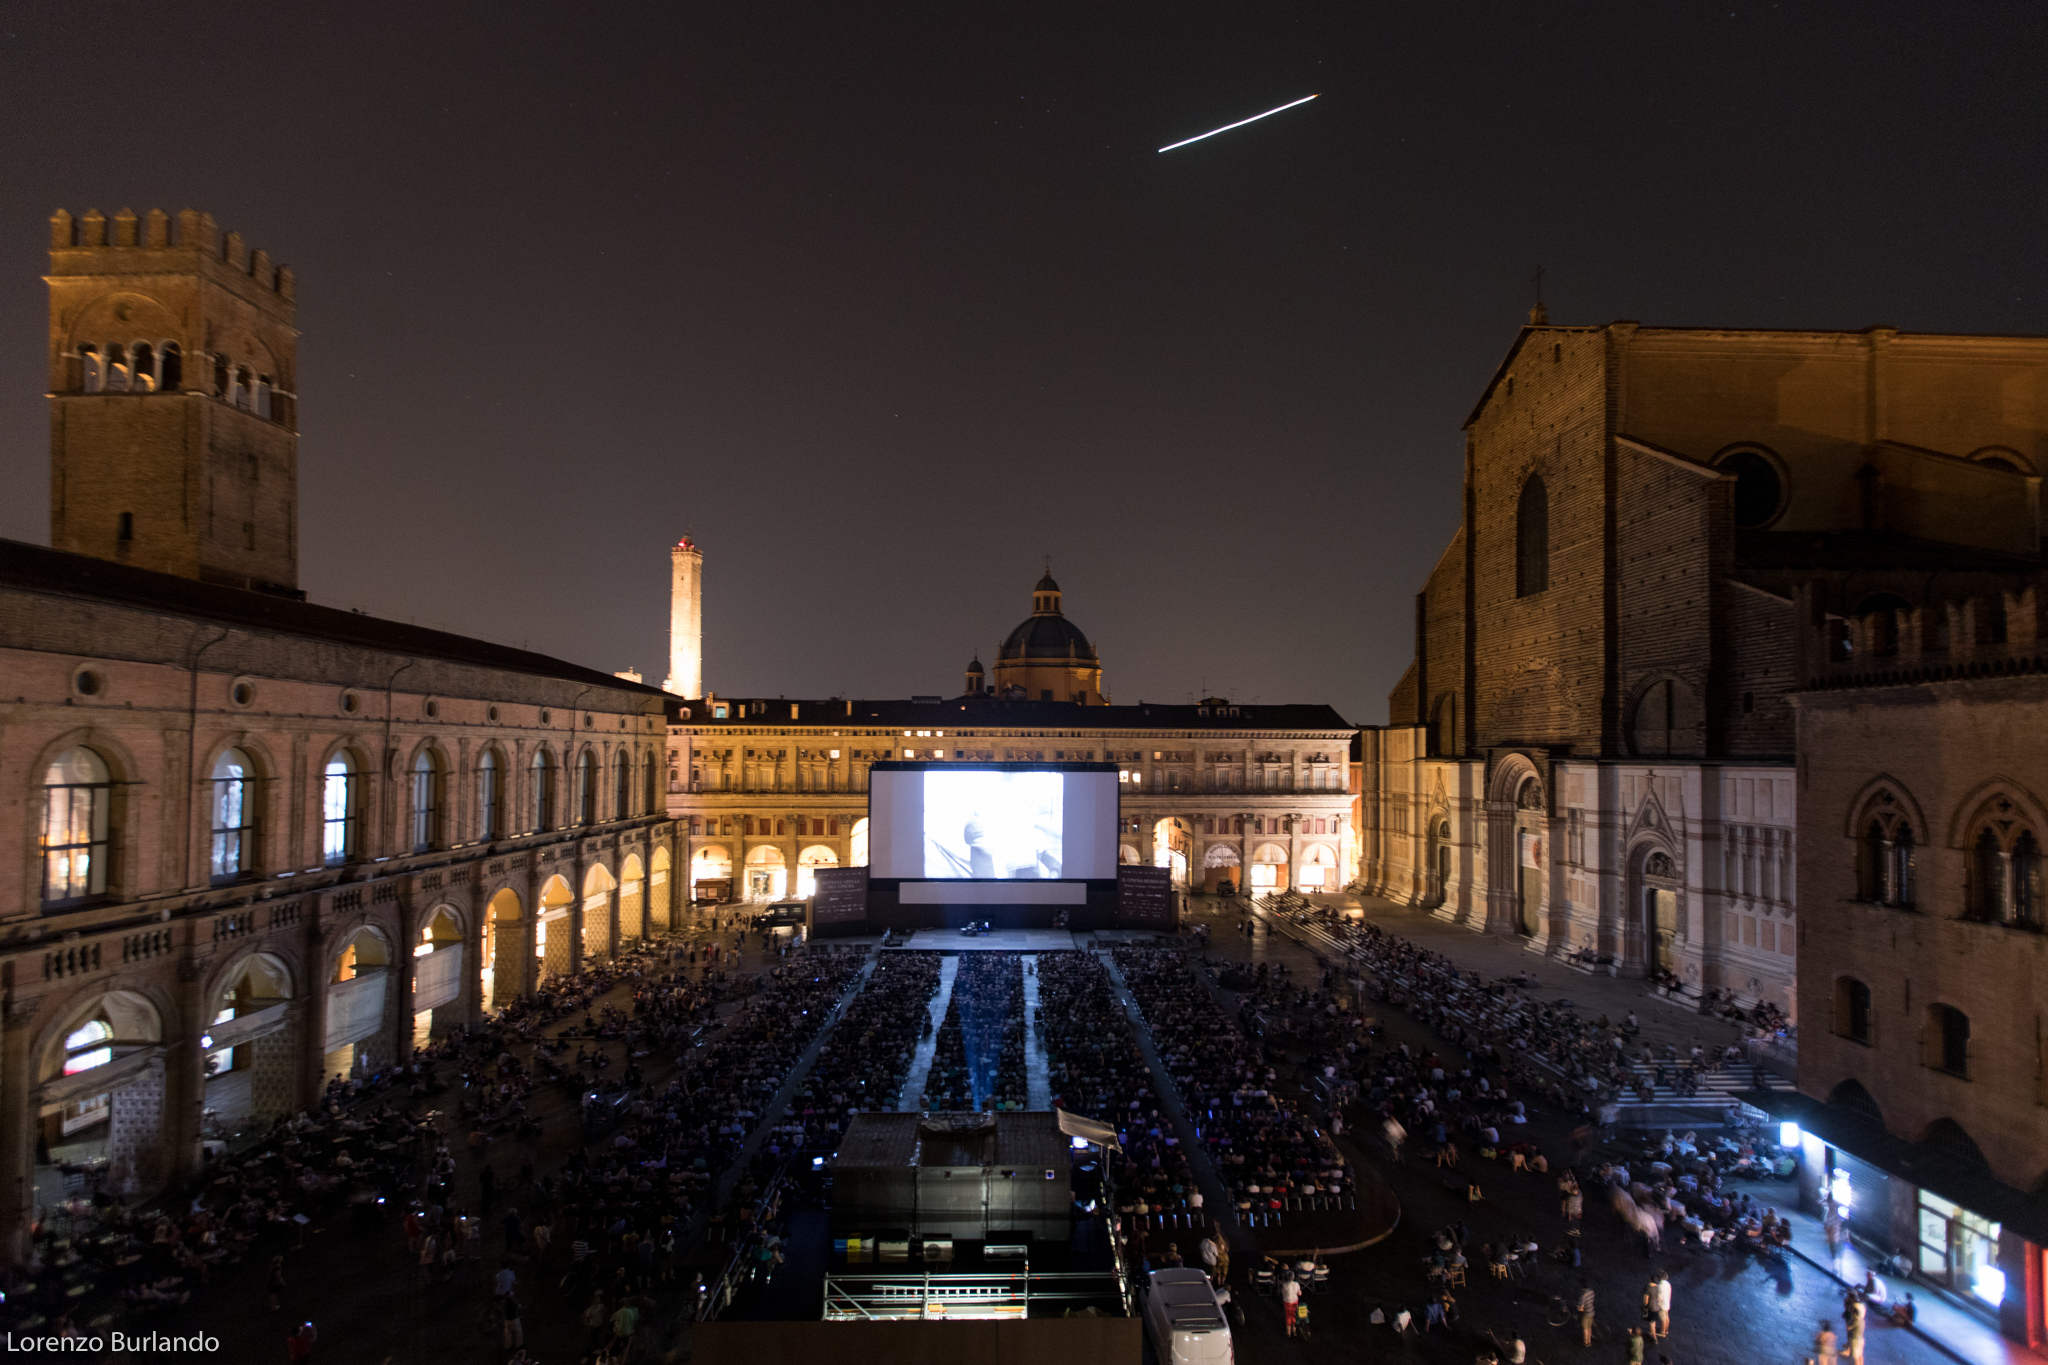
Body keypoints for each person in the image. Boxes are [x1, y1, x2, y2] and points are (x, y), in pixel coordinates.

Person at [1279, 1270, 1303, 1337]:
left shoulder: (1285, 1285)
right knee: (1294, 1315)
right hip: (1295, 1301)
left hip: (1287, 1301)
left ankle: (1288, 1332)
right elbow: (1299, 1293)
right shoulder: (1296, 1284)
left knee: (1288, 1315)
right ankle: (1294, 1331)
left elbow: (1283, 1294)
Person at [1578, 1279, 1596, 1347]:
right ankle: (1589, 1341)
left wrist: (1579, 1308)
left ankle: (1586, 1343)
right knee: (1589, 1327)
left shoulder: (1583, 1295)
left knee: (1585, 1328)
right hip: (1592, 1311)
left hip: (1586, 1314)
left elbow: (1581, 1308)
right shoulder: (1592, 1291)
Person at [1653, 1269, 1672, 1338]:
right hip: (1667, 1303)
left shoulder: (1660, 1285)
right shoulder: (1668, 1284)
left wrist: (1657, 1304)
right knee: (1667, 1317)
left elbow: (1659, 1297)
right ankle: (1666, 1330)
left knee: (1663, 1318)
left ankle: (1663, 1332)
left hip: (1662, 1305)